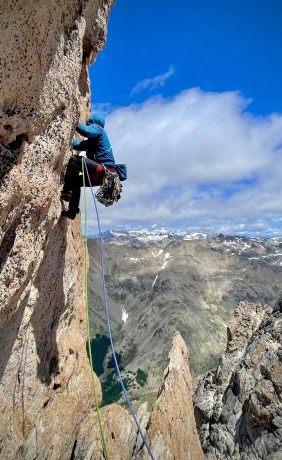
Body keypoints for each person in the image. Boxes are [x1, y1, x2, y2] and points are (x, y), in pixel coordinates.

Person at [61, 113, 126, 219]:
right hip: (101, 177)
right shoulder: (92, 142)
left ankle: (67, 192)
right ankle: (72, 211)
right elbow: (77, 145)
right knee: (76, 182)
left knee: (74, 160)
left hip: (103, 171)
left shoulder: (98, 129)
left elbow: (86, 131)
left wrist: (74, 119)